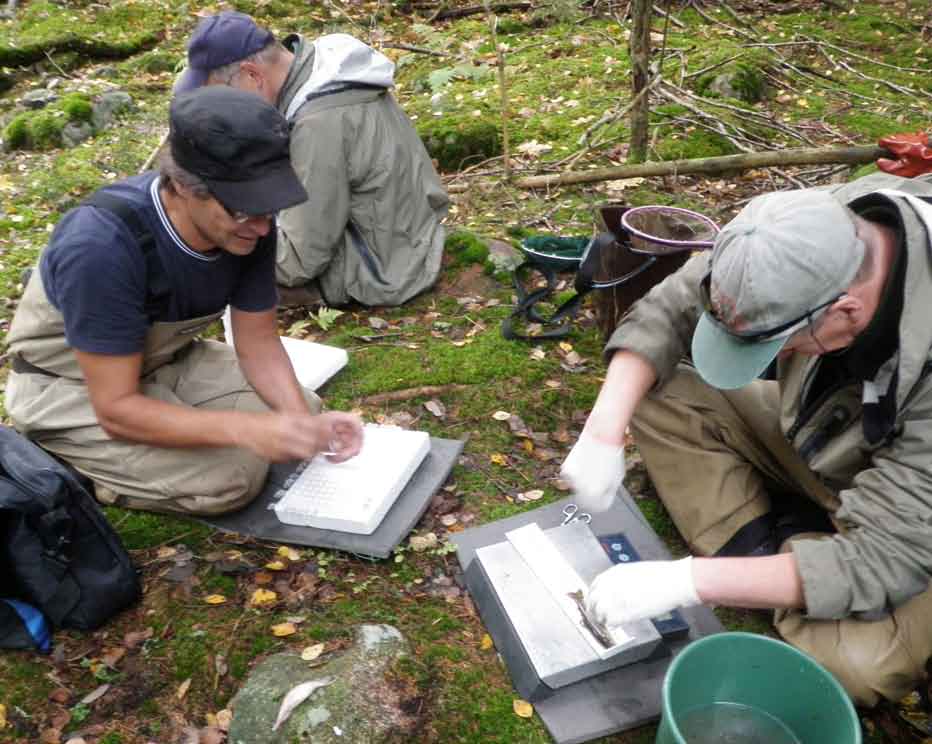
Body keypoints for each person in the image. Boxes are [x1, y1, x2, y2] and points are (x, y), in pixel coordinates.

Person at [561, 171, 932, 706]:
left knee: (858, 669)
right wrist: (603, 430)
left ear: (847, 312)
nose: (772, 359)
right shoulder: (809, 229)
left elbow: (887, 558)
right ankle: (783, 555)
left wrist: (688, 582)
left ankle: (784, 560)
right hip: (830, 438)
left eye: (777, 345)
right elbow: (676, 302)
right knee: (654, 390)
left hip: (914, 521)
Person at [4, 86, 364, 516]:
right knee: (230, 480)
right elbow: (117, 408)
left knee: (303, 411)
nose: (263, 228)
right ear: (182, 186)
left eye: (270, 208)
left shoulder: (248, 226)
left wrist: (298, 425)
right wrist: (247, 430)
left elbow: (259, 343)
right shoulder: (102, 247)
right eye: (245, 210)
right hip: (71, 387)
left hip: (164, 362)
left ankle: (176, 428)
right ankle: (74, 458)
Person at [175, 11, 450, 308]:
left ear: (253, 75)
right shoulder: (328, 68)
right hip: (411, 235)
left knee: (215, 267)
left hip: (383, 269)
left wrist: (217, 237)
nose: (221, 110)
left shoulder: (318, 124)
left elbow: (297, 262)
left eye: (220, 96)